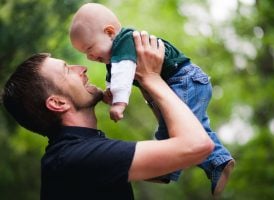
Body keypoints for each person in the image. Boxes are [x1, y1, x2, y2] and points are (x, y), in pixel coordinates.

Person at [1, 31, 214, 200]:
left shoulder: (74, 155)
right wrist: (150, 77)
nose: (82, 67)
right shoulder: (74, 158)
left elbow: (163, 171)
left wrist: (148, 85)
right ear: (58, 103)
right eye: (67, 70)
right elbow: (197, 145)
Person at [69, 3, 235, 197]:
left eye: (90, 48)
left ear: (109, 32)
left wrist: (119, 103)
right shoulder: (114, 57)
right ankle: (215, 162)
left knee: (174, 128)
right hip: (185, 82)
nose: (89, 57)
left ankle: (172, 169)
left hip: (185, 80)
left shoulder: (124, 41)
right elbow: (115, 79)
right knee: (194, 127)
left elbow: (122, 75)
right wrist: (110, 92)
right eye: (85, 54)